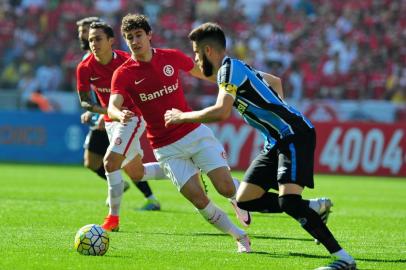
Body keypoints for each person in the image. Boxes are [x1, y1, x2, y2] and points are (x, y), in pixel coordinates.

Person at [164, 22, 357, 270]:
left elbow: (222, 111)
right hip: (276, 141)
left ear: (208, 51)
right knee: (245, 199)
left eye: (196, 52)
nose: (195, 58)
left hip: (294, 134)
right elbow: (275, 81)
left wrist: (182, 116)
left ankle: (344, 259)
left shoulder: (227, 70)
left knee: (289, 201)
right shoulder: (239, 68)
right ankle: (312, 207)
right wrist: (276, 117)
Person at [109, 13, 250, 252]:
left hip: (194, 133)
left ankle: (235, 198)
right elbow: (113, 104)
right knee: (198, 199)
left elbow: (207, 74)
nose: (135, 41)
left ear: (149, 35)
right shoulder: (123, 73)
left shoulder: (170, 57)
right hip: (165, 148)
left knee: (225, 187)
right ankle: (239, 236)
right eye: (129, 37)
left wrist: (238, 84)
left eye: (139, 35)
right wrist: (118, 113)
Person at [76, 21, 169, 232]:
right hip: (111, 121)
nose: (93, 43)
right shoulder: (84, 67)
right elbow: (84, 101)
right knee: (136, 172)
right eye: (90, 40)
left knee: (110, 162)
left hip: (132, 117)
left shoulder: (127, 60)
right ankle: (185, 168)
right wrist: (102, 112)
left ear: (111, 41)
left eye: (98, 39)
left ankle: (113, 219)